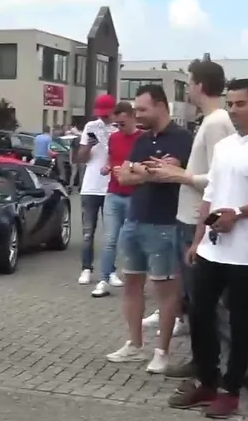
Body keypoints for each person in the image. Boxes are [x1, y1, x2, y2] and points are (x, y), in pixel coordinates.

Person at [169, 79, 248, 418]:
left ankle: (231, 390)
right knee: (199, 313)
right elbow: (210, 194)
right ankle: (206, 381)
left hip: (246, 252)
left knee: (239, 321)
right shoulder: (224, 147)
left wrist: (238, 213)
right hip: (212, 248)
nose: (235, 110)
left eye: (241, 104)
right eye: (231, 104)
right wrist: (198, 238)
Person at [142, 60, 236, 377]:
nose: (189, 89)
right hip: (189, 218)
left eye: (190, 83)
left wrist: (179, 175)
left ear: (199, 85)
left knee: (204, 299)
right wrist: (177, 170)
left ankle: (210, 363)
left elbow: (221, 178)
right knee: (196, 297)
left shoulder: (216, 123)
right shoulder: (211, 121)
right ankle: (205, 359)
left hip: (197, 219)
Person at [108, 85, 194, 375]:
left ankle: (162, 352)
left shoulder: (182, 138)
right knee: (132, 284)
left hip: (165, 223)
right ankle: (134, 344)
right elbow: (123, 176)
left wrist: (142, 171)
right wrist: (148, 172)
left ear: (160, 106)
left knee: (165, 291)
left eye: (143, 109)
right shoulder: (143, 140)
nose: (138, 115)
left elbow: (168, 174)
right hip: (134, 219)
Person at [98, 102, 142, 298]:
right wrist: (107, 167)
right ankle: (104, 279)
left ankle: (135, 281)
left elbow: (146, 165)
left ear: (133, 117)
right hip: (113, 193)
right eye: (116, 124)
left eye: (122, 123)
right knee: (110, 239)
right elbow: (111, 157)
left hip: (134, 195)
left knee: (130, 240)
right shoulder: (114, 138)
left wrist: (129, 169)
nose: (119, 127)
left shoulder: (142, 138)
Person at [77, 95, 118, 295]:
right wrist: (88, 145)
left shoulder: (119, 128)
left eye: (106, 114)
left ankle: (111, 271)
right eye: (100, 114)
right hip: (91, 186)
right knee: (88, 232)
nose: (103, 117)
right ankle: (86, 268)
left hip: (111, 186)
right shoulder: (91, 126)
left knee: (111, 234)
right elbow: (81, 158)